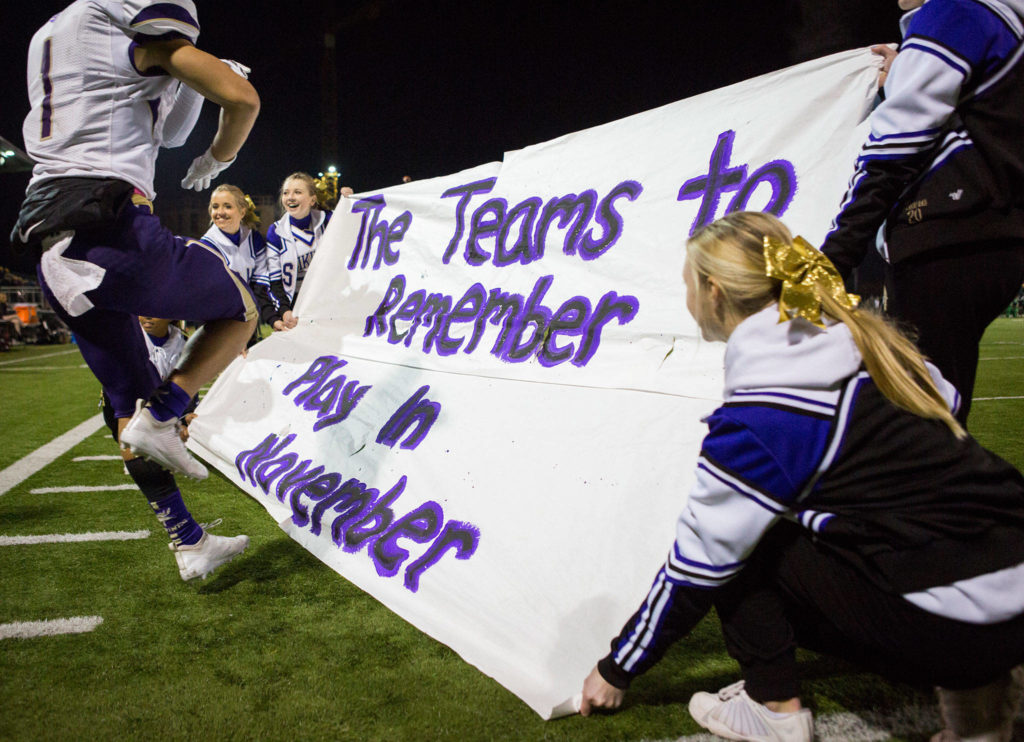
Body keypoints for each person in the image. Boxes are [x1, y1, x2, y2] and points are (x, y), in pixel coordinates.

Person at [579, 211, 1024, 742]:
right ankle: (978, 715)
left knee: (746, 545)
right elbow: (946, 412)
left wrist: (615, 670)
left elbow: (697, 567)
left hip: (964, 627)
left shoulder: (764, 414)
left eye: (689, 286)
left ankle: (774, 709)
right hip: (1011, 580)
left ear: (714, 292)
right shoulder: (868, 342)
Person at [11, 0, 260, 487]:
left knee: (130, 406)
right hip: (108, 226)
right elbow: (242, 99)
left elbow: (162, 127)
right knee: (243, 309)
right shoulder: (131, 27)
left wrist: (178, 80)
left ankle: (187, 539)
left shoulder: (51, 34)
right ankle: (169, 410)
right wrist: (218, 157)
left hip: (47, 243)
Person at [821, 0, 1024, 426]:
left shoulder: (952, 11)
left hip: (946, 233)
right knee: (935, 417)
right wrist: (903, 76)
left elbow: (895, 147)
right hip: (992, 233)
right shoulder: (991, 19)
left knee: (917, 428)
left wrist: (834, 257)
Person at [100, 316, 249, 581]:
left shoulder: (179, 341)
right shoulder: (135, 336)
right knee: (243, 316)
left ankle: (189, 540)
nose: (145, 314)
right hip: (131, 407)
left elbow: (187, 389)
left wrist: (185, 415)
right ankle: (190, 541)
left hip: (153, 406)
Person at [256, 172, 331, 332]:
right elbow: (274, 281)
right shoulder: (276, 231)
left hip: (327, 300)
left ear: (313, 199)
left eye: (297, 192)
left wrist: (350, 200)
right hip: (296, 304)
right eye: (286, 193)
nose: (290, 197)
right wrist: (284, 310)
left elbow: (359, 226)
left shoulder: (327, 220)